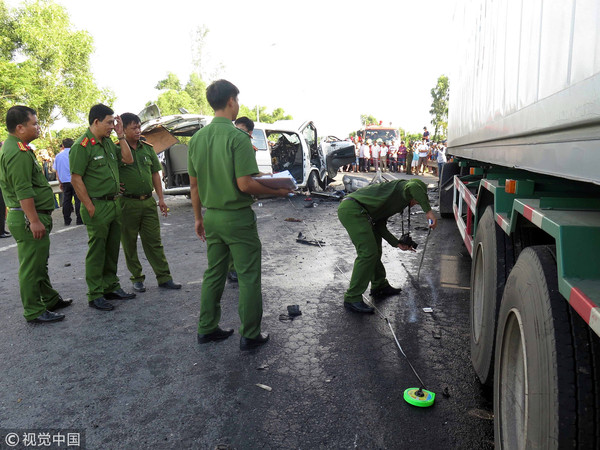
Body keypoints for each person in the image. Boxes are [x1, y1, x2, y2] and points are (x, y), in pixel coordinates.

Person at [188, 79, 291, 350]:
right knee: (248, 276)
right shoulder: (239, 138)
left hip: (212, 216)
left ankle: (207, 328)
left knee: (214, 274)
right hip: (237, 217)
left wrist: (198, 218)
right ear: (231, 100)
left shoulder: (197, 139)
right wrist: (277, 192)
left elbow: (194, 185)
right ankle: (250, 334)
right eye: (238, 101)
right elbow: (245, 184)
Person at [0, 106, 72, 323]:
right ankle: (33, 310)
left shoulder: (19, 147)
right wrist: (34, 220)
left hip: (30, 215)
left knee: (39, 263)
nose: (38, 127)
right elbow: (23, 190)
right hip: (28, 217)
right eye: (34, 123)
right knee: (32, 267)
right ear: (20, 127)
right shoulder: (17, 152)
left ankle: (49, 299)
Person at [70, 104, 136, 311]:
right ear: (96, 122)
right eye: (109, 123)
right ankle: (95, 294)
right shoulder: (82, 146)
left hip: (113, 203)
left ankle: (111, 286)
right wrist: (89, 206)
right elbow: (76, 179)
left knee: (112, 248)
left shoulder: (108, 143)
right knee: (97, 251)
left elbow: (128, 158)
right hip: (97, 205)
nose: (112, 126)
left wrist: (121, 136)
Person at [337, 179, 437, 313]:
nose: (415, 204)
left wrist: (397, 243)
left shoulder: (396, 200)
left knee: (376, 251)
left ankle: (379, 286)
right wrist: (429, 212)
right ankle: (352, 298)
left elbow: (379, 224)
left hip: (364, 214)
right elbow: (413, 185)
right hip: (353, 210)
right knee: (368, 253)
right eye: (418, 201)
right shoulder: (404, 189)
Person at [117, 112, 182, 293]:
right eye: (134, 128)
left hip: (147, 202)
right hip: (126, 203)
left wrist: (160, 198)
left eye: (139, 127)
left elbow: (155, 173)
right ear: (123, 129)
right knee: (129, 242)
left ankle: (164, 277)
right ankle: (137, 278)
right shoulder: (116, 149)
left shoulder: (147, 148)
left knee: (154, 241)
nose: (138, 131)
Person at [53, 138, 83, 226]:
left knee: (66, 200)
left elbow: (57, 170)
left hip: (65, 181)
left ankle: (67, 220)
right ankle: (79, 219)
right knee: (78, 199)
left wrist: (60, 182)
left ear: (63, 145)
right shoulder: (76, 153)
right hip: (75, 180)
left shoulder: (58, 156)